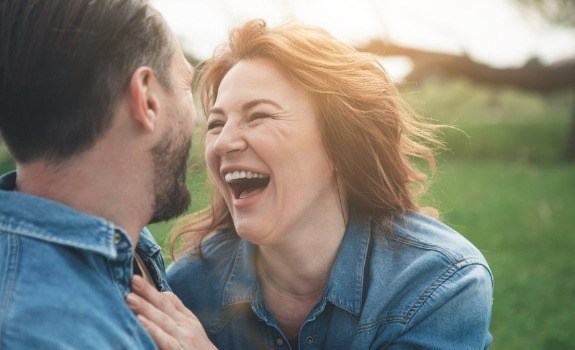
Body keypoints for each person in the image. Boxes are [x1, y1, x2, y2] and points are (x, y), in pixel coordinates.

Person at [128, 19, 493, 349]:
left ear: (340, 144)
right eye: (216, 124)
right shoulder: (189, 289)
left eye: (259, 116)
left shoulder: (438, 284)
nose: (223, 142)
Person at [0, 0, 213, 348]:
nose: (197, 120)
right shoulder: (36, 334)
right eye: (187, 85)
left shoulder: (128, 248)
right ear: (146, 98)